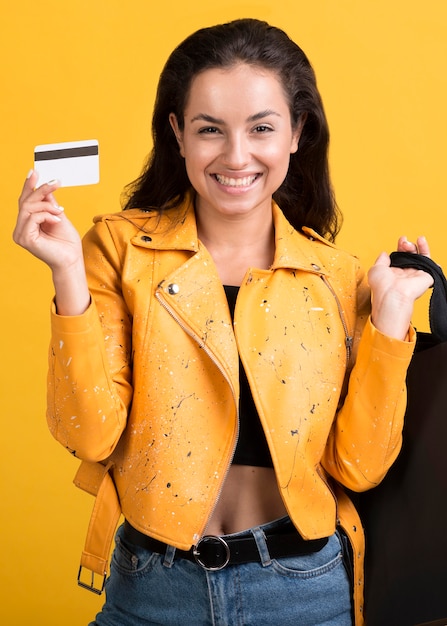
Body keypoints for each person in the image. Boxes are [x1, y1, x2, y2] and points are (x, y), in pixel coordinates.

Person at [14, 18, 433, 626]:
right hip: (151, 587)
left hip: (304, 591)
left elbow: (358, 469)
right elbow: (90, 435)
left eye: (261, 128)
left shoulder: (339, 280)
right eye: (210, 130)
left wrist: (392, 321)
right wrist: (66, 275)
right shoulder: (115, 249)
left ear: (296, 134)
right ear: (178, 134)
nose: (237, 157)